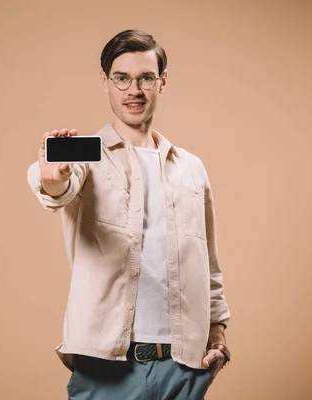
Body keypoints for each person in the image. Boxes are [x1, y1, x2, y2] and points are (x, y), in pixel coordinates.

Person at [27, 29, 231, 400]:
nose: (133, 90)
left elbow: (209, 262)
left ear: (162, 81)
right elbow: (56, 190)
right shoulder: (87, 156)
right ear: (105, 81)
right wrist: (51, 178)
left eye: (145, 78)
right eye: (121, 78)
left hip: (184, 367)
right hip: (107, 367)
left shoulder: (191, 168)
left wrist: (218, 334)